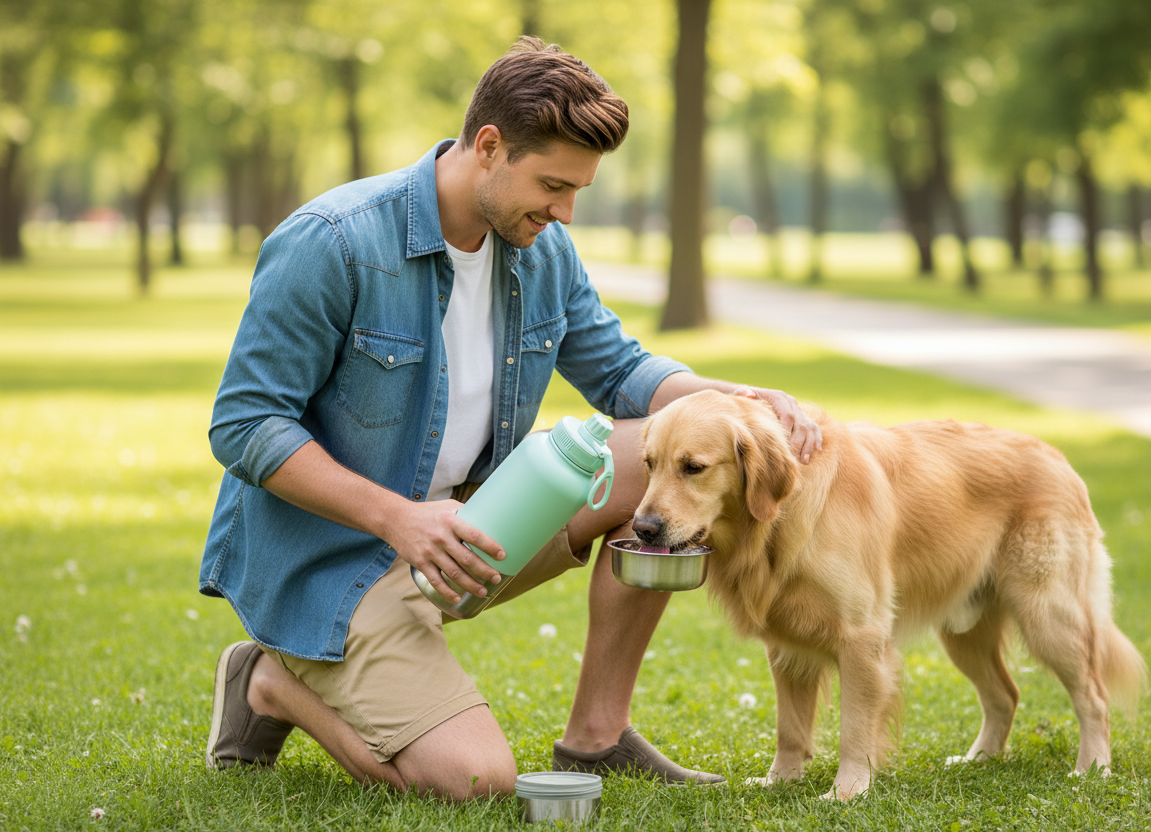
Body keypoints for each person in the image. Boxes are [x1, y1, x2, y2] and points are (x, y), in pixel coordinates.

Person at [200, 37, 821, 801]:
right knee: (475, 783)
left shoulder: (540, 248)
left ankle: (596, 738)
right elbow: (245, 424)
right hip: (335, 564)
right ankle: (266, 681)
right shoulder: (333, 242)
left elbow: (623, 373)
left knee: (653, 462)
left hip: (466, 533)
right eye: (554, 185)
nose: (563, 212)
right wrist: (401, 520)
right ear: (488, 146)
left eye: (577, 193)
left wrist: (747, 403)